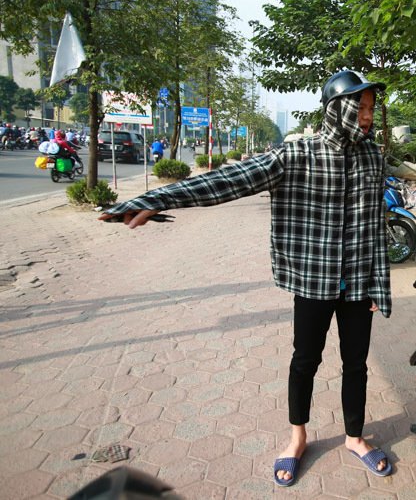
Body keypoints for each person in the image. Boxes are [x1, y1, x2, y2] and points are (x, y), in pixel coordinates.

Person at [98, 70, 393, 486]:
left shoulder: (372, 158)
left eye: (369, 109)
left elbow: (373, 227)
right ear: (335, 109)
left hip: (358, 285)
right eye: (358, 108)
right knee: (304, 361)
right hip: (313, 281)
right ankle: (297, 438)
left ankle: (355, 437)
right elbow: (226, 182)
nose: (365, 117)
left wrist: (379, 285)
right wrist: (156, 197)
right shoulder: (296, 155)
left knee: (357, 365)